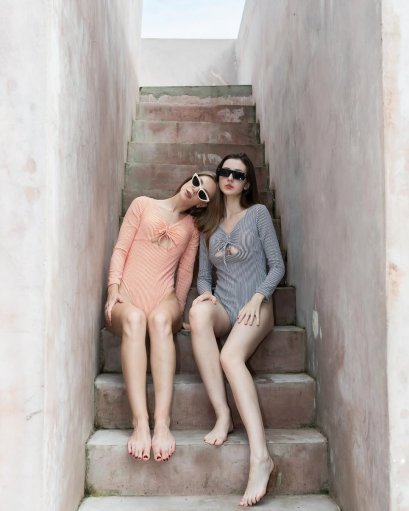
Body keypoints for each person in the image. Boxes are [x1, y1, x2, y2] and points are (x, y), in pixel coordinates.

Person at [189, 153, 285, 507]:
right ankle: (223, 414)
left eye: (238, 174)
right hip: (225, 305)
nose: (230, 178)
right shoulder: (209, 223)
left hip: (257, 304)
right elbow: (203, 277)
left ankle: (261, 458)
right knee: (197, 314)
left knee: (230, 357)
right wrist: (207, 296)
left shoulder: (258, 215)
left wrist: (257, 299)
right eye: (225, 172)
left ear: (246, 183)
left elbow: (277, 266)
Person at [104, 171, 219, 463]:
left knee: (158, 320)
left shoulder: (192, 228)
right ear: (188, 179)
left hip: (162, 298)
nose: (195, 190)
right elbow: (120, 249)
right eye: (196, 182)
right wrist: (113, 289)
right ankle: (140, 423)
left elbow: (185, 273)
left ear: (203, 204)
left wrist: (176, 310)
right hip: (127, 295)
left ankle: (163, 423)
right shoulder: (142, 204)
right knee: (134, 319)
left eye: (203, 193)